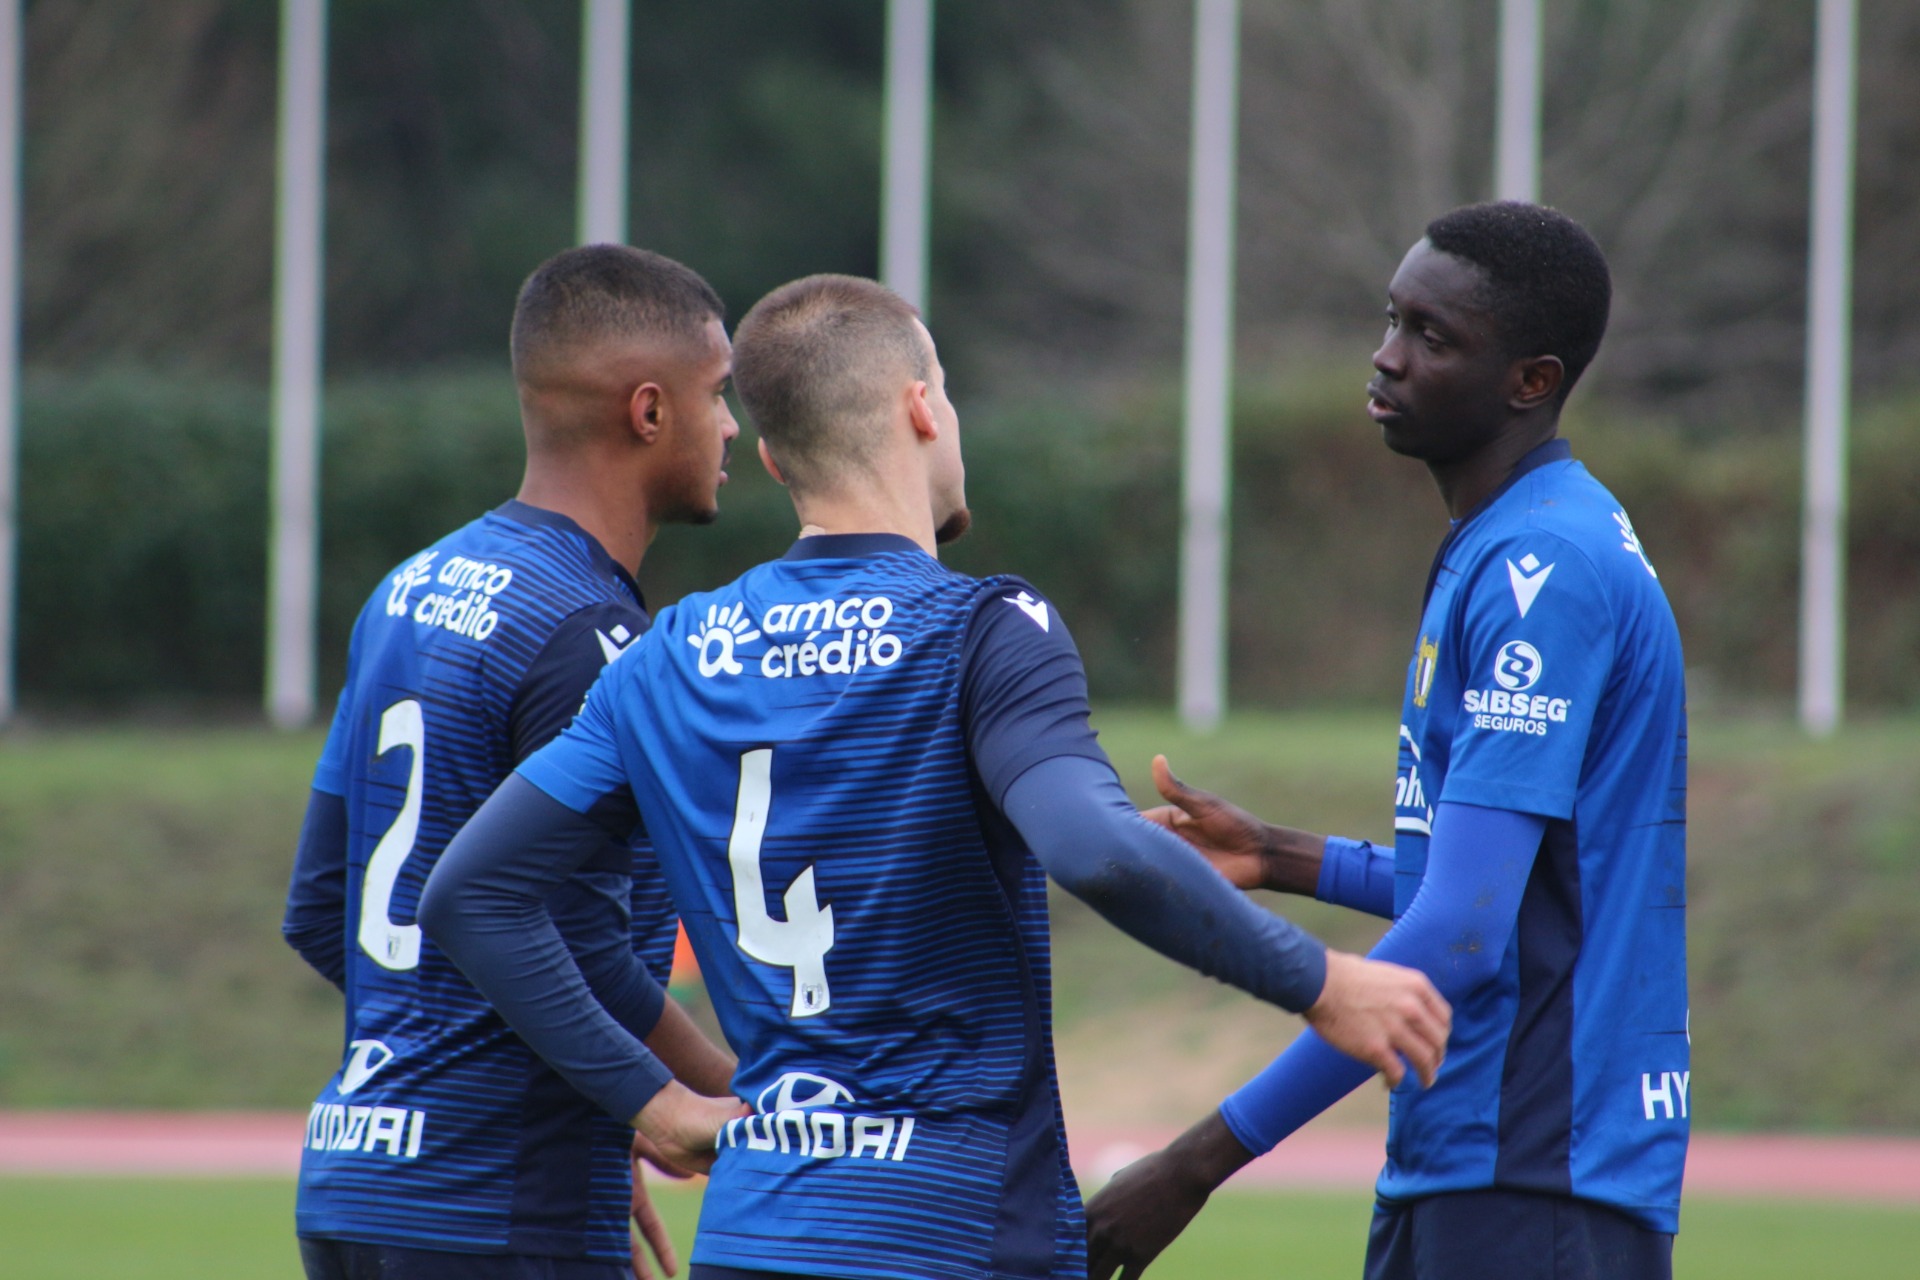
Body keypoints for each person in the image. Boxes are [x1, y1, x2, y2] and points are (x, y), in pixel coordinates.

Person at [418, 274, 1451, 1280]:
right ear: (923, 408)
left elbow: (470, 894)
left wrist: (654, 1104)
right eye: (947, 392)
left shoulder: (667, 655)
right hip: (950, 1229)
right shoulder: (980, 629)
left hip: (753, 1233)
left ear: (771, 458)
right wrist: (1321, 981)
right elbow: (1094, 847)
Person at [1084, 202, 1689, 1280]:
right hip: (1472, 1156)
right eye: (1392, 318)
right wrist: (1279, 855)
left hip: (1535, 1172)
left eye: (1432, 336)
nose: (1388, 355)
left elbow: (1460, 932)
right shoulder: (1505, 542)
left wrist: (1194, 1162)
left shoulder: (1545, 569)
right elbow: (1506, 886)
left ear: (1531, 381)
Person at [281, 244, 744, 1280]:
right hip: (499, 1204)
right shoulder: (589, 634)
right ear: (649, 410)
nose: (731, 428)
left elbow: (320, 907)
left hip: (354, 1183)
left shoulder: (407, 588)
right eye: (718, 394)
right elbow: (583, 945)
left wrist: (595, 1093)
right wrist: (684, 1097)